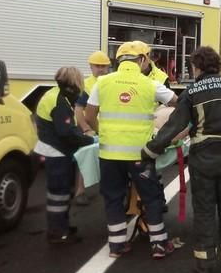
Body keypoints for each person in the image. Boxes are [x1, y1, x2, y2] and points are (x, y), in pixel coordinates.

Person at [141, 46, 221, 273]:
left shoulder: (192, 91)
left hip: (203, 159)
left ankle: (205, 266)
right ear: (218, 65)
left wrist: (150, 150)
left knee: (204, 211)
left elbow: (175, 125)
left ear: (196, 67)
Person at [84, 41, 178, 259]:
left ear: (119, 60)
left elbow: (89, 116)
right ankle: (159, 244)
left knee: (113, 197)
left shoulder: (103, 82)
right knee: (151, 196)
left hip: (109, 154)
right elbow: (177, 103)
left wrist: (102, 133)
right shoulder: (150, 84)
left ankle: (117, 245)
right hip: (140, 154)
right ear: (143, 60)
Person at [34, 67, 96, 244]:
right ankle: (58, 232)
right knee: (59, 194)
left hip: (52, 150)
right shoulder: (60, 101)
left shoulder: (55, 95)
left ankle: (61, 226)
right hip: (56, 152)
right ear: (73, 82)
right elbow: (66, 133)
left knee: (61, 193)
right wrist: (88, 141)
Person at [74, 50, 111, 206]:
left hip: (108, 129)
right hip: (90, 128)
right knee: (86, 158)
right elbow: (78, 109)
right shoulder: (86, 85)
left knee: (109, 161)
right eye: (97, 66)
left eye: (104, 66)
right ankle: (80, 191)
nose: (101, 69)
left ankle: (108, 188)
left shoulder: (111, 82)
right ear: (90, 67)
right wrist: (85, 129)